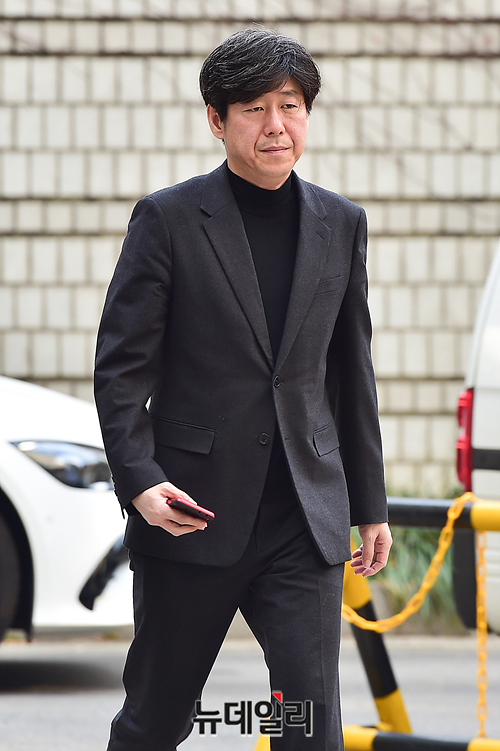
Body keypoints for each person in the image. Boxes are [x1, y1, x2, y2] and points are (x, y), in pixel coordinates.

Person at [94, 26, 392, 751]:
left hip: (302, 517)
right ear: (216, 119)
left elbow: (350, 371)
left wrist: (370, 505)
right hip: (192, 511)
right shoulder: (168, 219)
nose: (275, 125)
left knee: (307, 725)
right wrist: (141, 481)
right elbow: (122, 367)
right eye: (255, 108)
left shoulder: (341, 223)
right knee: (157, 720)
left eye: (290, 106)